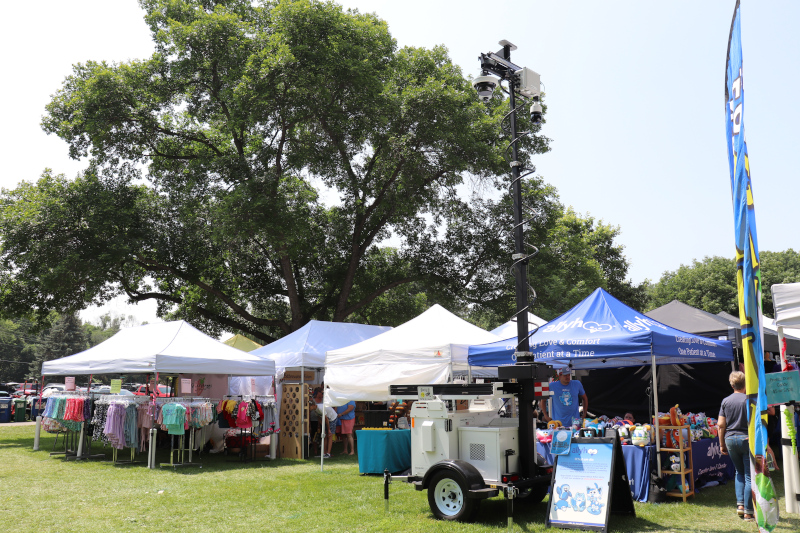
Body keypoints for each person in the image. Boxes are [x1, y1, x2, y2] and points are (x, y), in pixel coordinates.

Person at [718, 371, 754, 522]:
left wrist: (721, 445)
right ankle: (748, 512)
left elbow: (720, 425)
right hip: (746, 439)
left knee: (739, 473)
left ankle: (740, 506)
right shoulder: (749, 400)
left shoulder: (725, 401)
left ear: (731, 385)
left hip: (730, 439)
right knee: (748, 475)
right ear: (745, 384)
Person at [308, 387, 337, 458]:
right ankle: (324, 453)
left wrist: (329, 429)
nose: (309, 408)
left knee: (329, 435)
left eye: (310, 407)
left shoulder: (320, 408)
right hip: (327, 419)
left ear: (313, 405)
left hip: (332, 418)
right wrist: (323, 428)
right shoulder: (315, 410)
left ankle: (328, 453)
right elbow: (319, 418)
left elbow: (326, 419)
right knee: (324, 435)